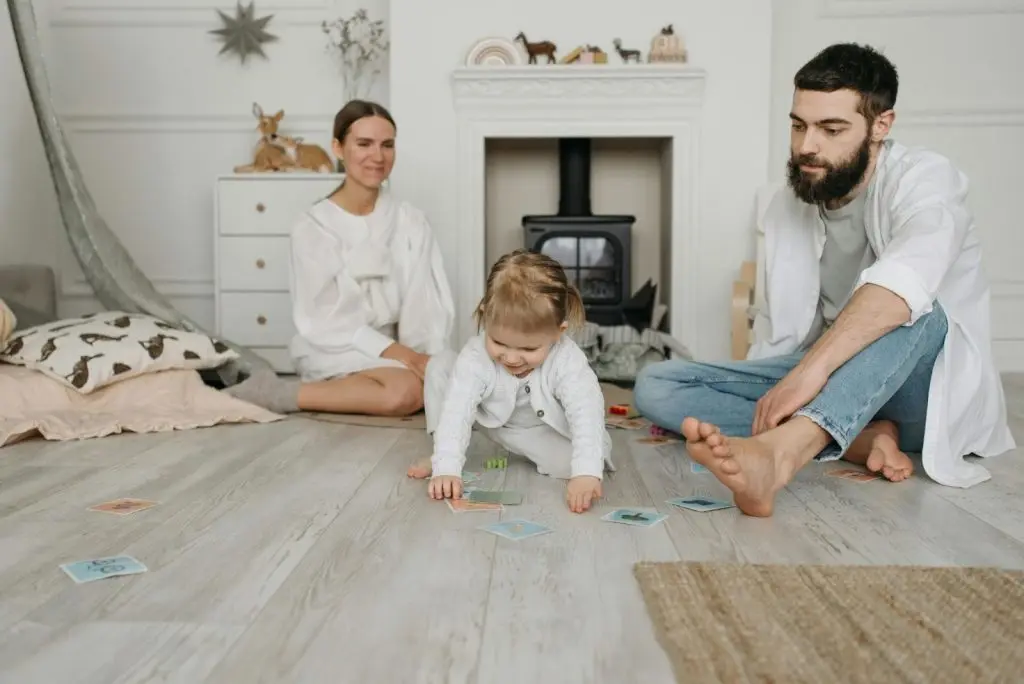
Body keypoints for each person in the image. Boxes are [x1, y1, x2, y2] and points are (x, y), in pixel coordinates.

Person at [633, 43, 1015, 517]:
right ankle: (857, 435)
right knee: (657, 385)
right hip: (832, 376)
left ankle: (782, 452)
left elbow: (908, 280)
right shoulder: (788, 203)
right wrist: (800, 371)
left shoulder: (926, 180)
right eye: (798, 125)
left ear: (881, 126)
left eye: (831, 129)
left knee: (920, 309)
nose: (806, 146)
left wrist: (810, 371)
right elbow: (784, 329)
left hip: (921, 391)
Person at [225, 100, 455, 416]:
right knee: (404, 394)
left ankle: (388, 382)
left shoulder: (411, 221)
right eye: (364, 144)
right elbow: (324, 320)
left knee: (453, 380)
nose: (378, 156)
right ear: (338, 148)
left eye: (387, 145)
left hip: (396, 351)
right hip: (336, 345)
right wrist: (404, 359)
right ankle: (282, 392)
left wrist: (421, 358)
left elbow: (422, 304)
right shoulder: (312, 227)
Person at [407, 250, 614, 514]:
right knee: (440, 365)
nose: (512, 358)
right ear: (485, 316)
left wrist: (586, 472)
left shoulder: (567, 359)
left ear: (558, 332)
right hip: (485, 412)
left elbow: (586, 410)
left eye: (528, 349)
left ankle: (584, 462)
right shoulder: (476, 355)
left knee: (572, 465)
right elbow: (457, 408)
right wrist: (446, 468)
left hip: (533, 431)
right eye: (499, 343)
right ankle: (440, 453)